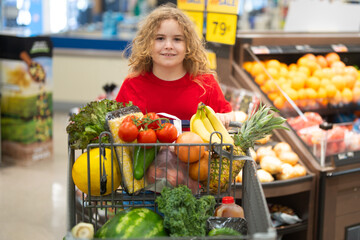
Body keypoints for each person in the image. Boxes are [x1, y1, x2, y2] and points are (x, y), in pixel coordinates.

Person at [115, 3, 235, 128]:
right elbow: (115, 125)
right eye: (160, 38)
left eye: (177, 39)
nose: (168, 46)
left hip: (196, 148)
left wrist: (225, 117)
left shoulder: (206, 84)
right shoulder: (132, 85)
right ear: (147, 45)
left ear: (189, 46)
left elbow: (229, 115)